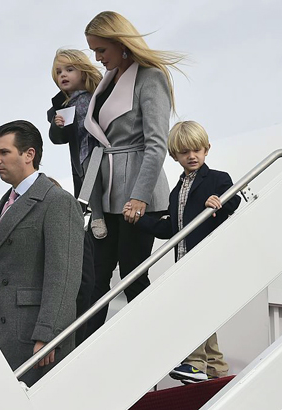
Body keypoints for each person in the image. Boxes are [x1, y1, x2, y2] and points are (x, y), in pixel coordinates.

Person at [80, 11, 184, 337]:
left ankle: (153, 342)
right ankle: (83, 348)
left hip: (138, 196)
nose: (97, 58)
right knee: (96, 276)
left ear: (121, 44)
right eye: (93, 51)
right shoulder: (107, 82)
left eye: (101, 50)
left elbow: (156, 145)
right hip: (106, 194)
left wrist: (139, 196)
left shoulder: (150, 77)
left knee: (132, 275)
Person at [0, 120, 84, 386]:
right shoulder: (4, 203)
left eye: (4, 152)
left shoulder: (57, 201)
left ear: (29, 154)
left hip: (31, 336)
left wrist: (49, 333)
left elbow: (64, 275)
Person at [134, 120, 241, 383]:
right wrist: (140, 219)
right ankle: (217, 368)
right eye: (184, 152)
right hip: (183, 259)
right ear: (174, 156)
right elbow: (170, 227)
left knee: (192, 309)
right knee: (202, 310)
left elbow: (234, 200)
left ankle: (194, 363)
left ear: (207, 150)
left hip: (206, 257)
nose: (191, 156)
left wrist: (218, 202)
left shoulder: (217, 178)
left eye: (197, 150)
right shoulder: (175, 191)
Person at [47, 49, 102, 345]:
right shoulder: (64, 106)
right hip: (84, 174)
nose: (63, 76)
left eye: (69, 69)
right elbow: (58, 139)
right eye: (58, 72)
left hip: (100, 169)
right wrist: (58, 123)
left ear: (83, 70)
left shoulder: (99, 95)